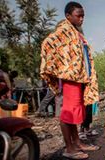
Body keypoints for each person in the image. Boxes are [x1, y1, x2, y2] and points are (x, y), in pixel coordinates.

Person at [40, 2, 99, 159]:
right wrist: (60, 68)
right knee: (68, 113)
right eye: (78, 15)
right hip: (70, 79)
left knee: (75, 112)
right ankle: (69, 148)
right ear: (68, 16)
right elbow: (48, 43)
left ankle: (77, 142)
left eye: (83, 16)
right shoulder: (63, 31)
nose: (81, 19)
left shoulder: (75, 32)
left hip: (79, 78)